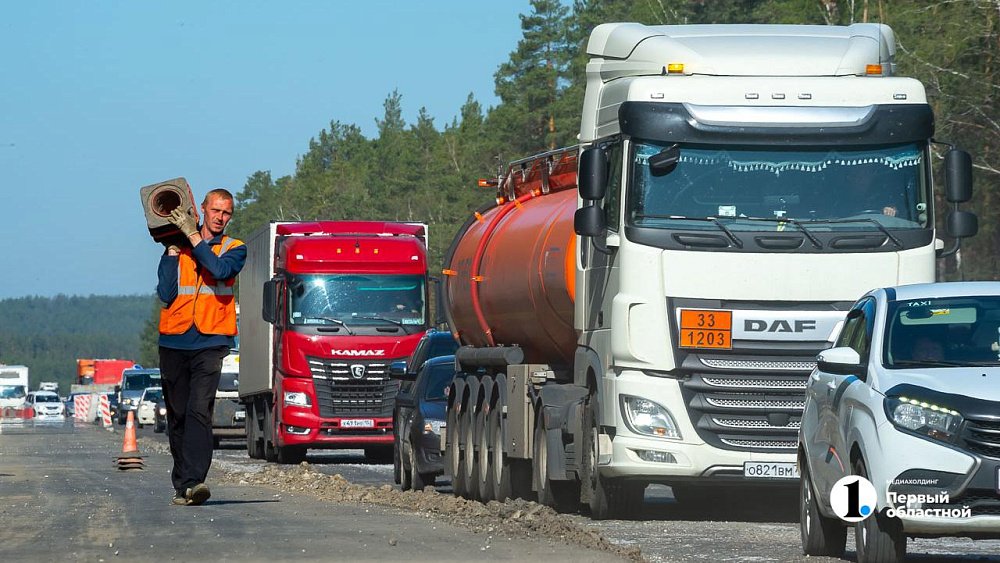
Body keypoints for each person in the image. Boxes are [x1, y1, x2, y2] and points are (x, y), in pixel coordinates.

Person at [157, 188, 246, 506]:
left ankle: (195, 480)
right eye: (216, 211)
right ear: (202, 210)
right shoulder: (178, 249)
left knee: (198, 409)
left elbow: (220, 271)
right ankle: (182, 483)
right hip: (173, 340)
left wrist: (193, 237)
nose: (221, 217)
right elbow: (166, 293)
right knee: (178, 415)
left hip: (211, 340)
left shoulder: (235, 248)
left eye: (227, 213)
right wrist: (170, 251)